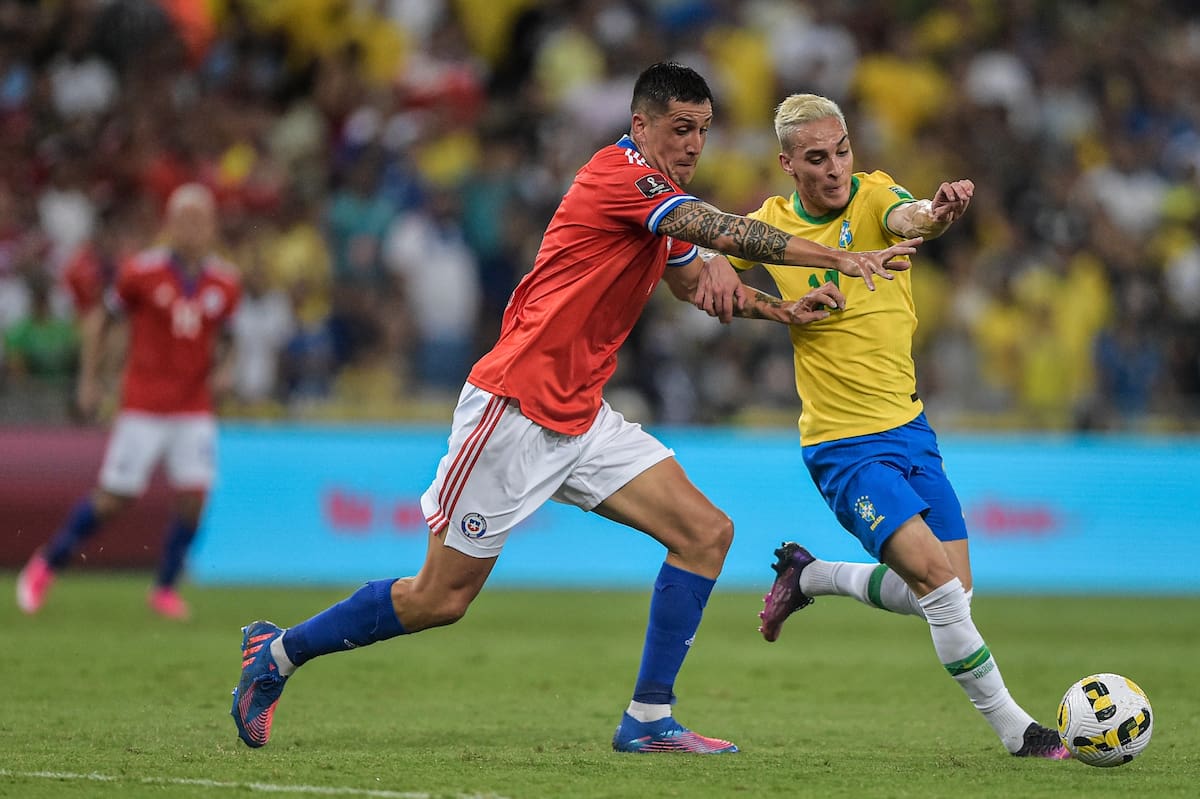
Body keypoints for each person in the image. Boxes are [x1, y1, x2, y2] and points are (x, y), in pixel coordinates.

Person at [229, 63, 918, 753]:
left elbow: (695, 286)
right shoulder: (618, 176)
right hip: (515, 408)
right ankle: (277, 652)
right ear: (640, 125)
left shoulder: (665, 198)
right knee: (440, 598)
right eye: (680, 129)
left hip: (582, 416)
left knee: (706, 532)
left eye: (703, 131)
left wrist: (784, 308)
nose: (693, 145)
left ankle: (648, 717)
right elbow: (723, 234)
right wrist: (834, 254)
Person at [700, 93, 1069, 759]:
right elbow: (711, 271)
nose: (836, 167)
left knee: (952, 588)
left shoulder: (875, 197)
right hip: (844, 445)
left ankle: (808, 576)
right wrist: (738, 278)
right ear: (788, 164)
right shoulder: (771, 225)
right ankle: (1020, 732)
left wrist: (938, 212)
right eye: (817, 157)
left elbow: (912, 216)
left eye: (842, 150)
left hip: (910, 428)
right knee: (936, 583)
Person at [16, 183, 241, 621]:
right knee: (115, 496)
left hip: (193, 405)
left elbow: (228, 336)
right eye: (184, 220)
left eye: (200, 220)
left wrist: (227, 367)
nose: (192, 229)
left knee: (195, 496)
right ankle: (48, 563)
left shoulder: (225, 282)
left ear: (212, 226)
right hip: (144, 402)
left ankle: (164, 588)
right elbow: (103, 320)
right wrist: (90, 379)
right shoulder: (141, 272)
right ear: (168, 224)